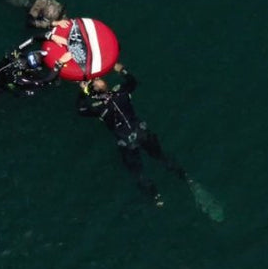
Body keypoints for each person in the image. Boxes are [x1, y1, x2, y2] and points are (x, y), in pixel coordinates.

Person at [76, 63, 187, 206]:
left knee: (140, 171)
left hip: (128, 142)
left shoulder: (98, 107)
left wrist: (83, 92)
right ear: (95, 89)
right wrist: (121, 70)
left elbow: (80, 109)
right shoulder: (120, 93)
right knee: (154, 161)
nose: (98, 78)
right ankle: (178, 180)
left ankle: (158, 196)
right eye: (96, 80)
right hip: (140, 134)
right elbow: (132, 82)